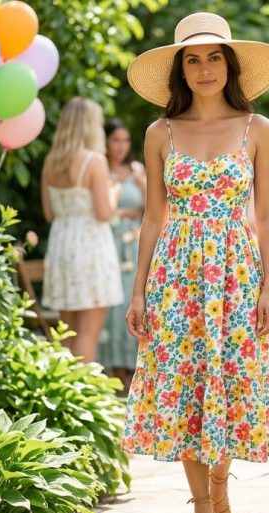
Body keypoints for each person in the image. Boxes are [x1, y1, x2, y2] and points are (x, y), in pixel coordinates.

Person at [122, 12, 269, 513]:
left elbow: (266, 216)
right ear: (180, 70)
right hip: (175, 276)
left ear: (230, 64)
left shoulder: (257, 129)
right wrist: (138, 291)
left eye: (214, 57)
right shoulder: (159, 133)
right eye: (192, 59)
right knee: (184, 391)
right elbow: (152, 217)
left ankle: (220, 484)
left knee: (227, 385)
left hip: (236, 274)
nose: (204, 69)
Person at [41, 97, 124, 364]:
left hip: (61, 245)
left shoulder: (51, 161)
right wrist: (115, 191)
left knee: (66, 330)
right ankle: (82, 398)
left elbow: (49, 213)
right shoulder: (94, 161)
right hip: (89, 247)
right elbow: (104, 212)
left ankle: (63, 395)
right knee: (89, 332)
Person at [97, 118, 147, 386]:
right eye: (116, 140)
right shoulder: (99, 168)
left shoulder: (135, 170)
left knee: (132, 297)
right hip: (106, 239)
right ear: (106, 141)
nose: (121, 146)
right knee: (110, 303)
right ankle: (107, 363)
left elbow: (152, 209)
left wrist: (143, 186)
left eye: (125, 140)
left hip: (132, 242)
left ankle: (131, 364)